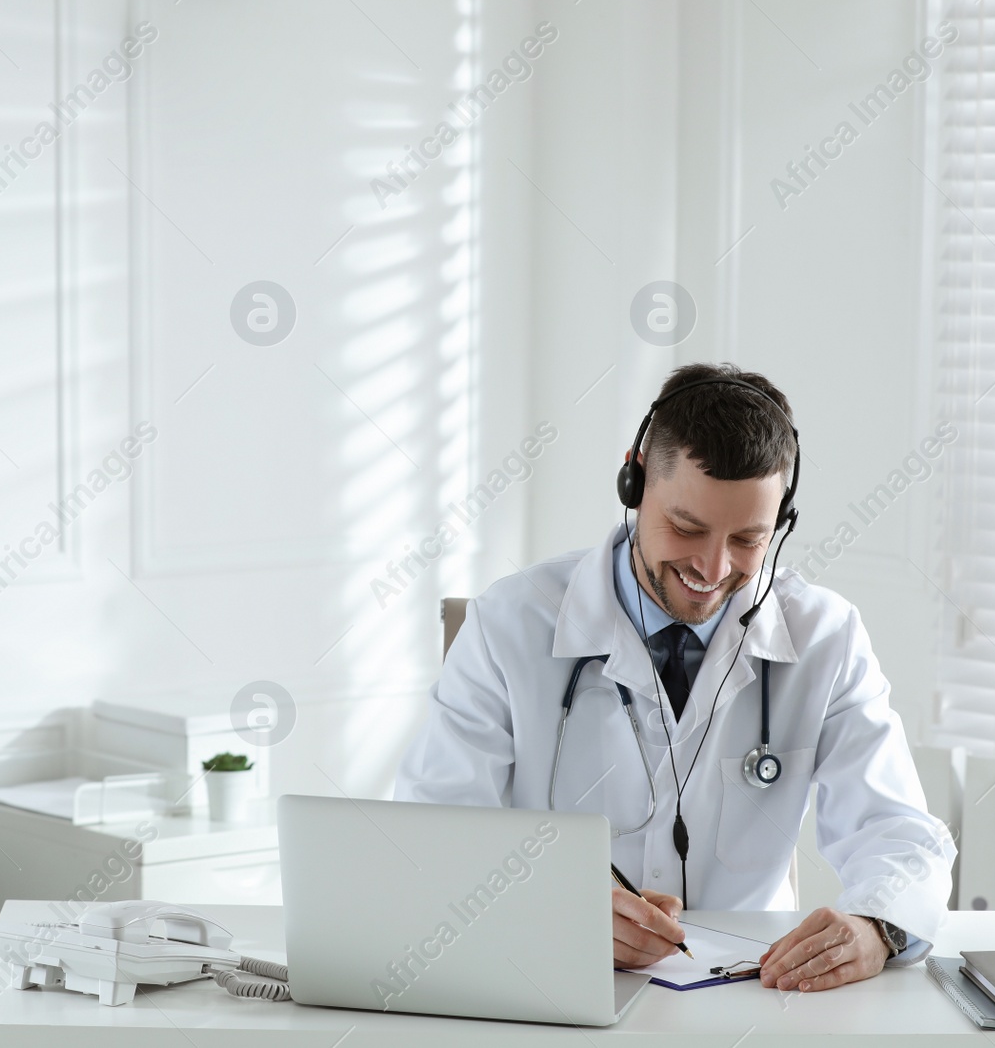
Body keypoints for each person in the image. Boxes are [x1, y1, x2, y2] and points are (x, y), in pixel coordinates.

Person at [394, 362, 954, 993]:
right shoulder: (509, 622)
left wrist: (877, 927)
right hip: (551, 984)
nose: (713, 568)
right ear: (634, 480)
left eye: (749, 539)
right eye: (687, 528)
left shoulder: (825, 635)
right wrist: (550, 908)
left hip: (747, 997)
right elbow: (428, 834)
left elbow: (900, 831)